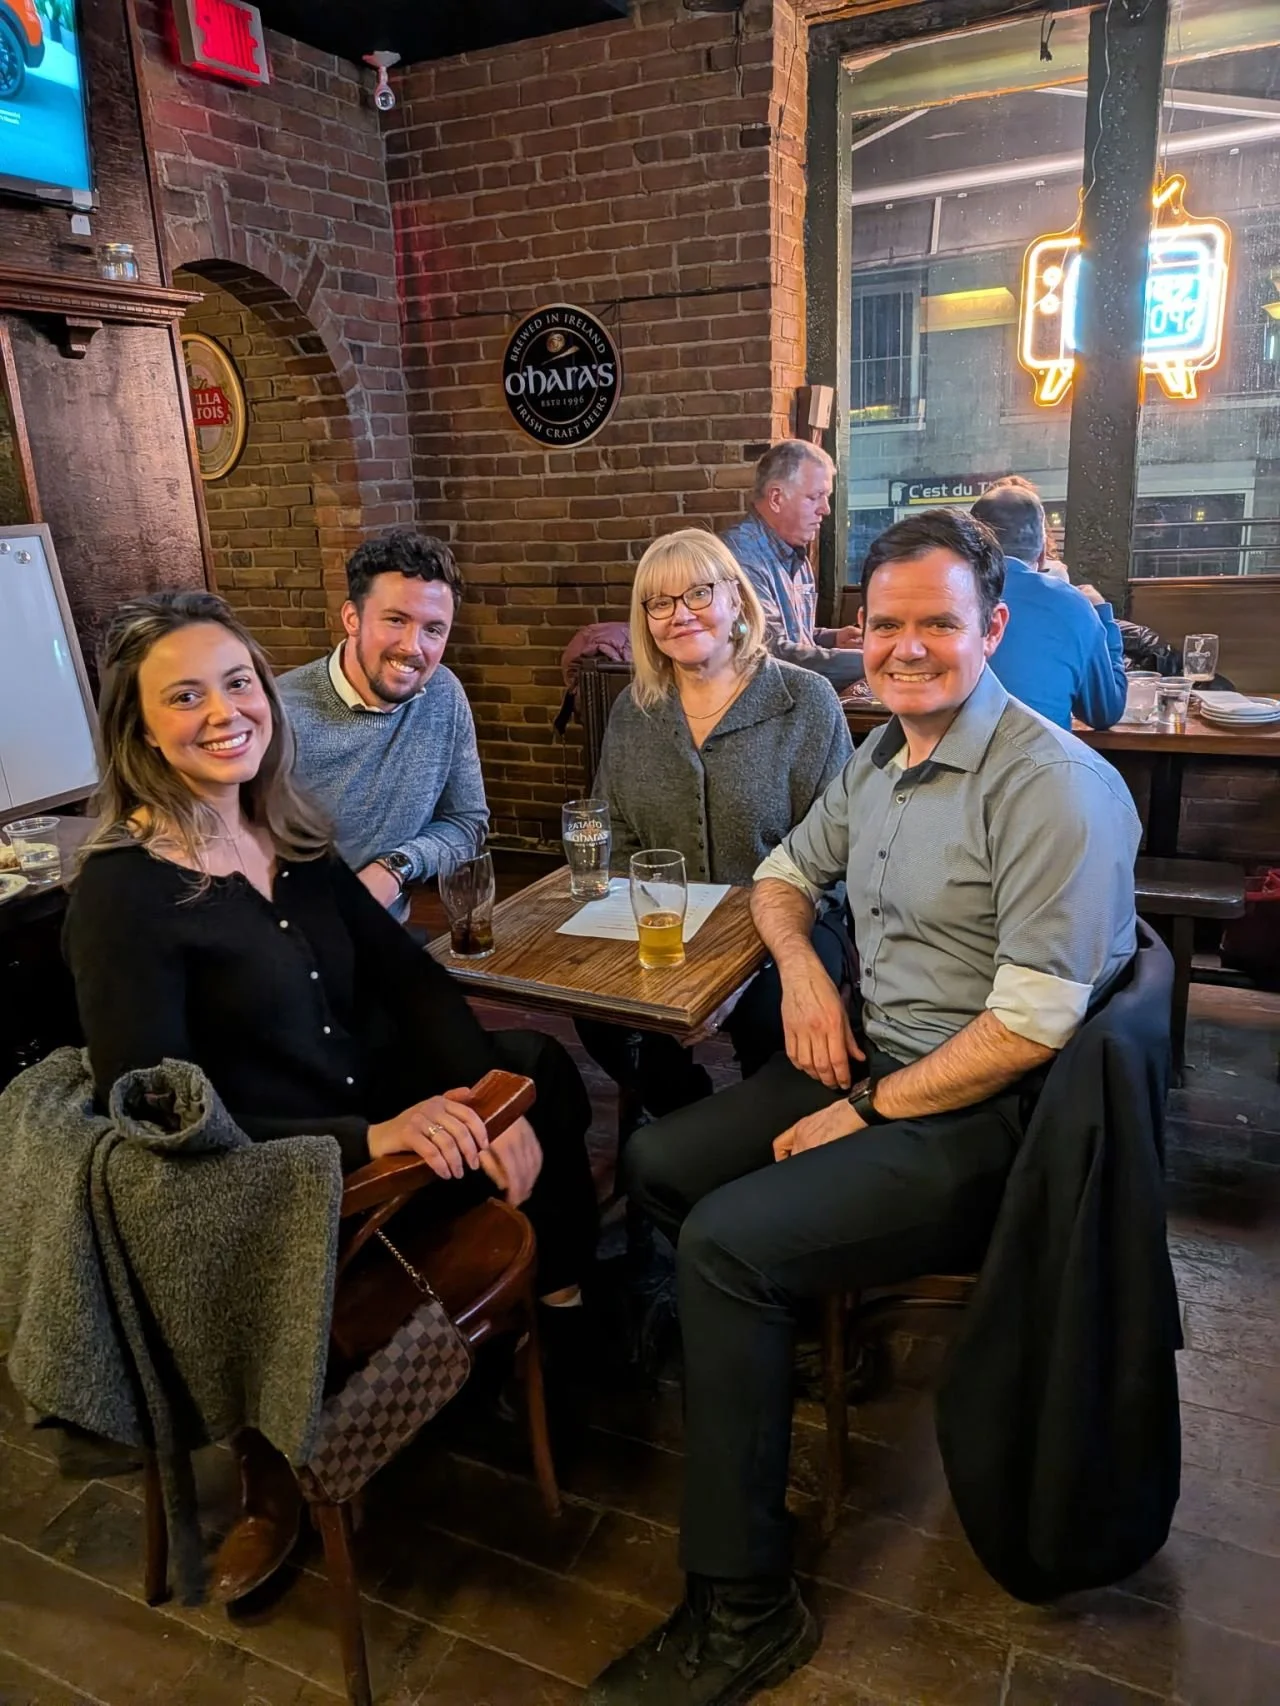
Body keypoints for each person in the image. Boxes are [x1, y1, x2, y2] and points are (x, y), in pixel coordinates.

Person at [585, 508, 1141, 1706]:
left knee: (724, 1246)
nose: (904, 646)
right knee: (659, 1161)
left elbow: (1028, 1028)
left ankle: (745, 1606)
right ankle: (774, 1346)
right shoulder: (881, 753)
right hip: (875, 1056)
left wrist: (870, 1106)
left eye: (935, 622)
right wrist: (800, 970)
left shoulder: (1051, 786)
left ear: (991, 626)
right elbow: (784, 875)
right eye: (884, 624)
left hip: (989, 1115)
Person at [64, 589, 597, 1605]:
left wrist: (487, 1100)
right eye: (185, 695)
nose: (224, 711)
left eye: (237, 682)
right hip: (274, 1188)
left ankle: (552, 1314)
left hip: (368, 1122)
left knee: (539, 1069)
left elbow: (409, 981)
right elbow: (158, 1118)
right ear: (139, 728)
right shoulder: (121, 893)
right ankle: (274, 1469)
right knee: (497, 1104)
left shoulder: (290, 835)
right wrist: (372, 1135)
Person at [580, 530, 853, 1114]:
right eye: (660, 603)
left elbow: (838, 855)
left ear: (736, 598)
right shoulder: (634, 709)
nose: (680, 615)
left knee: (769, 1017)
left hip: (794, 919)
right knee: (599, 1012)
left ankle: (761, 1134)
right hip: (666, 921)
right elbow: (618, 835)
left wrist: (734, 969)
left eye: (698, 593)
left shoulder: (806, 701)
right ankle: (679, 1112)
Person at [279, 530, 487, 917]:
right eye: (395, 620)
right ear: (352, 618)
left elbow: (466, 823)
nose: (412, 647)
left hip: (385, 932)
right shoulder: (278, 714)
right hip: (290, 938)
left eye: (433, 629)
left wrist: (395, 868)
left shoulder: (444, 693)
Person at [971, 481, 1127, 730]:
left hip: (944, 753)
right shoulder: (1073, 606)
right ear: (1043, 553)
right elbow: (1105, 712)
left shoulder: (943, 595)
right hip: (1040, 755)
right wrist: (1103, 616)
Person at [721, 442, 865, 689]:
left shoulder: (794, 552)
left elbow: (793, 633)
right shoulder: (739, 557)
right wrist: (875, 661)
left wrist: (833, 638)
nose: (825, 509)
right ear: (776, 498)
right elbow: (770, 654)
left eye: (827, 497)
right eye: (814, 497)